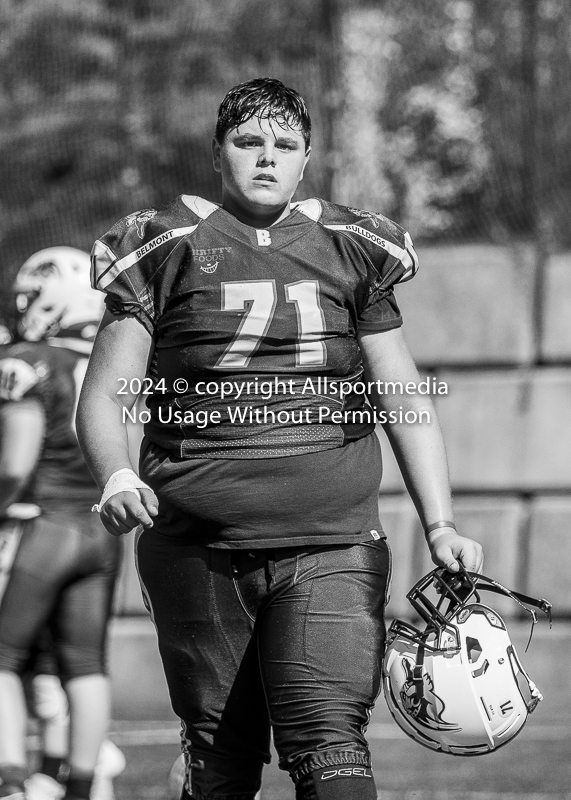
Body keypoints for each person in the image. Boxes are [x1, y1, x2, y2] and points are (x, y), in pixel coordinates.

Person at [77, 78, 484, 800]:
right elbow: (109, 392)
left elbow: (400, 394)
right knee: (219, 761)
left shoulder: (351, 246)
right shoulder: (163, 245)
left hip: (331, 542)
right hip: (198, 548)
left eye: (284, 145)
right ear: (216, 152)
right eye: (248, 141)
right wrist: (115, 474)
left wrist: (441, 523)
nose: (266, 158)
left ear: (306, 160)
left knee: (330, 745)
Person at [0, 248, 124, 800]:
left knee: (1, 658)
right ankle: (79, 782)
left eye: (31, 295)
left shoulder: (28, 360)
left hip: (42, 526)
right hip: (102, 527)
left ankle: (9, 779)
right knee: (86, 666)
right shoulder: (114, 362)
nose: (23, 306)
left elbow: (14, 465)